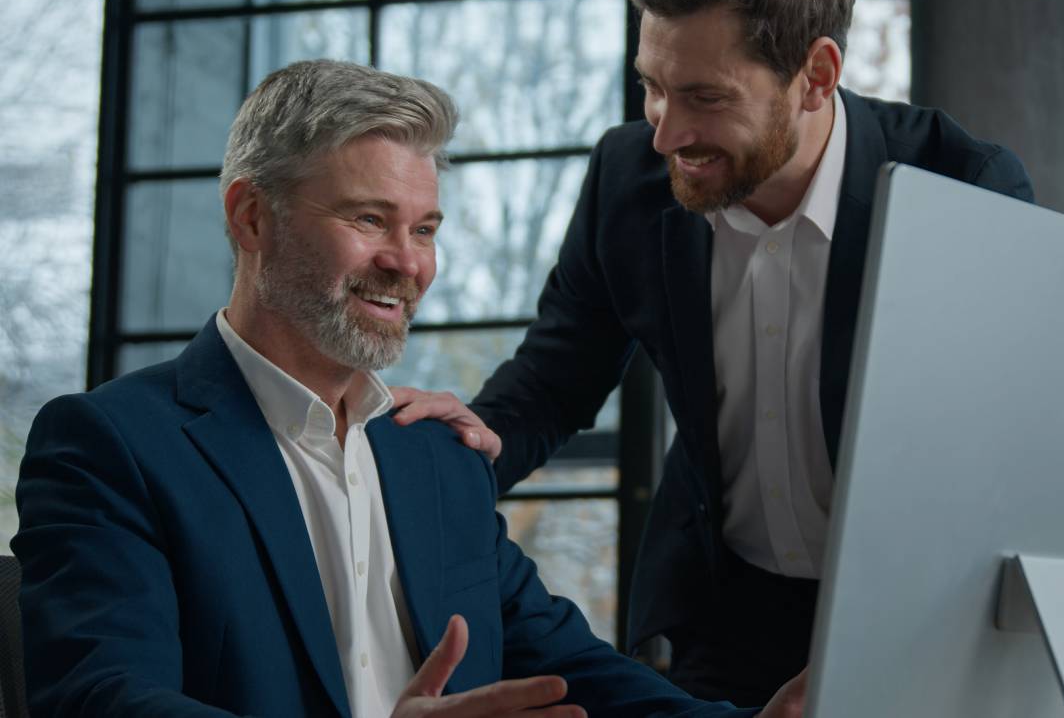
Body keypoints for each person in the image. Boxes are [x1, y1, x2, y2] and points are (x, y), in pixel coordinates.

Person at [390, 0, 1035, 706]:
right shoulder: (628, 178)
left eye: (705, 97)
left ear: (817, 76)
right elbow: (557, 377)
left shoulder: (965, 189)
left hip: (912, 610)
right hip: (722, 617)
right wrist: (465, 452)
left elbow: (1005, 465)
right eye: (653, 87)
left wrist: (875, 653)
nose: (663, 132)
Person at [11, 60, 805, 718]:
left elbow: (570, 668)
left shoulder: (434, 454)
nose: (408, 263)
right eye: (369, 219)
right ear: (252, 217)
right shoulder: (109, 447)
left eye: (424, 229)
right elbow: (100, 700)